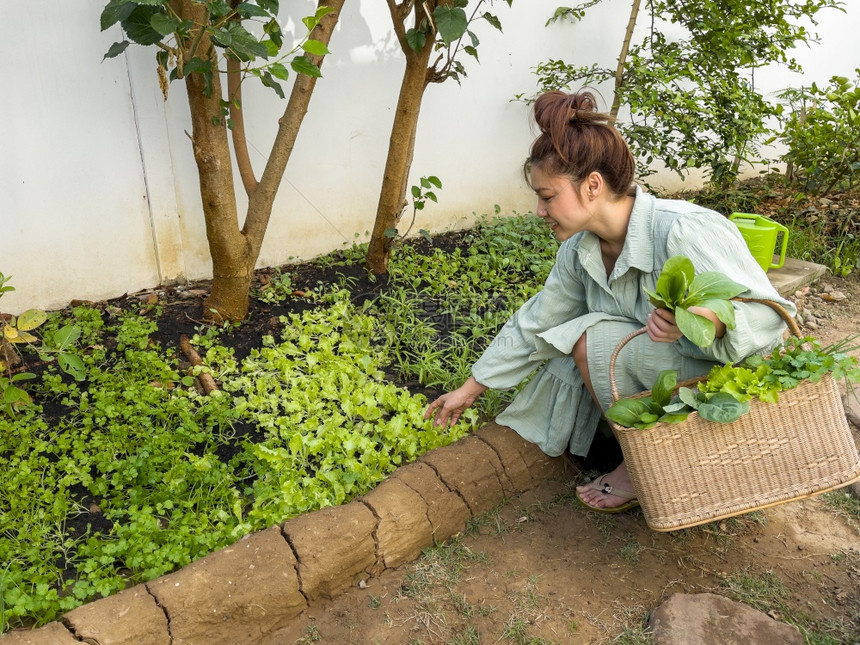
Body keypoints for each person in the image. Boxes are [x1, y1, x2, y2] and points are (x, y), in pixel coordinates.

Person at [424, 90, 796, 512]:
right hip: (670, 370)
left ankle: (642, 469)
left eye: (547, 197)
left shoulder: (683, 230)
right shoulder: (579, 251)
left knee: (588, 338)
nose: (540, 210)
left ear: (593, 185)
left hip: (731, 380)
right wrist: (472, 388)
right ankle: (647, 453)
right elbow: (540, 318)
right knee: (568, 346)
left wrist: (707, 319)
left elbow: (773, 316)